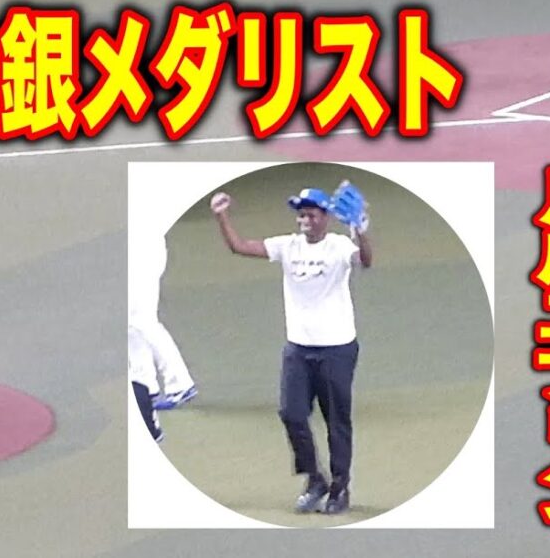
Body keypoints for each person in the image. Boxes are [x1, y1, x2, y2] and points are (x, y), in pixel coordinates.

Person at [210, 182, 373, 515]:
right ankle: (315, 480)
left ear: (325, 217)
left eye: (311, 215)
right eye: (301, 216)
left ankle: (340, 488)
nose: (305, 221)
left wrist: (361, 229)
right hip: (298, 349)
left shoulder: (339, 245)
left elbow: (365, 260)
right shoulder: (287, 246)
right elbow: (240, 247)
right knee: (291, 413)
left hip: (337, 348)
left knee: (336, 421)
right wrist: (222, 216)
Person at [129, 233, 198, 411]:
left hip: (141, 249)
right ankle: (145, 385)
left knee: (141, 319)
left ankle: (180, 384)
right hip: (136, 248)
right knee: (131, 322)